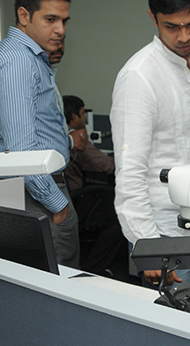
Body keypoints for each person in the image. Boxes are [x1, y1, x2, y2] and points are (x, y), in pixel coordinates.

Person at [110, 0, 190, 288]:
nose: (184, 37)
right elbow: (130, 170)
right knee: (169, 317)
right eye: (171, 26)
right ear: (153, 18)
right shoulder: (139, 76)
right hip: (161, 231)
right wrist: (147, 243)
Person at [0, 0, 79, 268]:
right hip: (36, 193)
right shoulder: (18, 61)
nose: (60, 30)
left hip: (32, 190)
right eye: (50, 19)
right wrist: (57, 205)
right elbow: (21, 151)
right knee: (58, 282)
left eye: (64, 21)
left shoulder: (23, 56)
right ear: (24, 15)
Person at [62, 95, 123, 276]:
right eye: (82, 114)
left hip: (65, 199)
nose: (84, 118)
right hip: (76, 200)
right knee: (119, 220)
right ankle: (93, 269)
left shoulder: (58, 136)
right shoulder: (76, 138)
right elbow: (106, 166)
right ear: (74, 117)